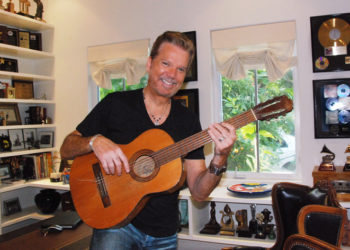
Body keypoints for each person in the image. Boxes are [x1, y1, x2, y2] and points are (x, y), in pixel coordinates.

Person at [60, 31, 236, 250]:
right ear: (150, 63)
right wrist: (94, 141)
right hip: (114, 224)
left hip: (164, 233)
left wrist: (220, 157)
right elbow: (66, 148)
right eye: (166, 63)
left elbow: (199, 193)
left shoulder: (188, 121)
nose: (172, 74)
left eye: (180, 69)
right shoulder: (115, 104)